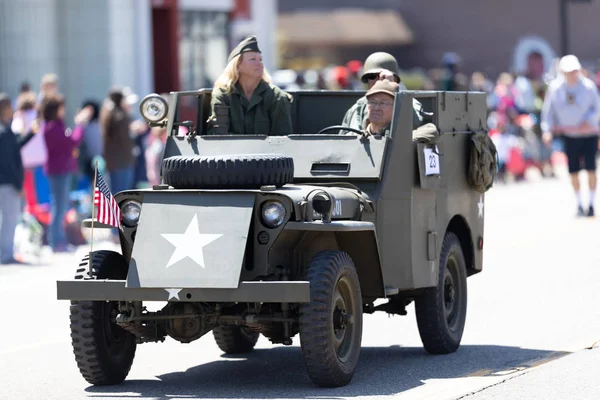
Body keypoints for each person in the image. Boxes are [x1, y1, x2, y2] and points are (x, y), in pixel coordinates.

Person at [541, 54, 600, 217]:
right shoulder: (555, 88)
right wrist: (546, 130)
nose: (571, 74)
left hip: (588, 134)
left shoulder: (588, 87)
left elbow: (597, 107)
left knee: (591, 169)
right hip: (569, 135)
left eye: (574, 71)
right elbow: (548, 111)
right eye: (567, 71)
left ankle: (592, 203)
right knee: (573, 171)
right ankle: (580, 203)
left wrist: (590, 120)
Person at [207, 35, 293, 136]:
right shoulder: (223, 95)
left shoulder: (276, 97)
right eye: (253, 59)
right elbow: (218, 137)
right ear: (237, 65)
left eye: (260, 60)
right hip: (231, 151)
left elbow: (282, 139)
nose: (259, 64)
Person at [41, 94, 88, 252]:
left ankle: (57, 240)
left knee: (61, 206)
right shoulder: (51, 128)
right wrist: (80, 125)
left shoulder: (56, 125)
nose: (64, 110)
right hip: (58, 171)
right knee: (59, 206)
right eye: (61, 108)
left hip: (61, 170)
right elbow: (72, 142)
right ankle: (56, 241)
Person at [341, 52, 424, 133]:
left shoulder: (410, 104)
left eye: (383, 77)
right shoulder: (357, 108)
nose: (377, 80)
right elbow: (341, 140)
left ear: (395, 79)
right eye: (372, 76)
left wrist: (393, 88)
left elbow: (413, 123)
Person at [0, 93, 38, 264]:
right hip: (7, 183)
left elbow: (15, 147)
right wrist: (19, 185)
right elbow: (9, 161)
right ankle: (6, 254)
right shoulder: (4, 132)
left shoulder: (6, 131)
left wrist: (30, 134)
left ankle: (5, 252)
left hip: (5, 181)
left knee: (7, 218)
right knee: (9, 219)